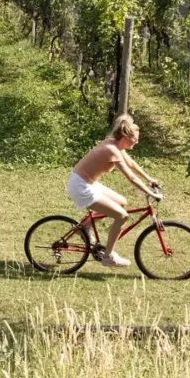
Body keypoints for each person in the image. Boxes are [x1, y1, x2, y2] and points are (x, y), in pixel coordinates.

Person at [68, 114, 160, 268]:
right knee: (122, 216)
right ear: (125, 136)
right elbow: (131, 177)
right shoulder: (112, 150)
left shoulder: (115, 144)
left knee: (122, 202)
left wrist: (149, 178)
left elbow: (130, 163)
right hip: (81, 187)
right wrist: (151, 193)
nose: (137, 142)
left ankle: (85, 225)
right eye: (135, 139)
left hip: (87, 182)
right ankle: (108, 257)